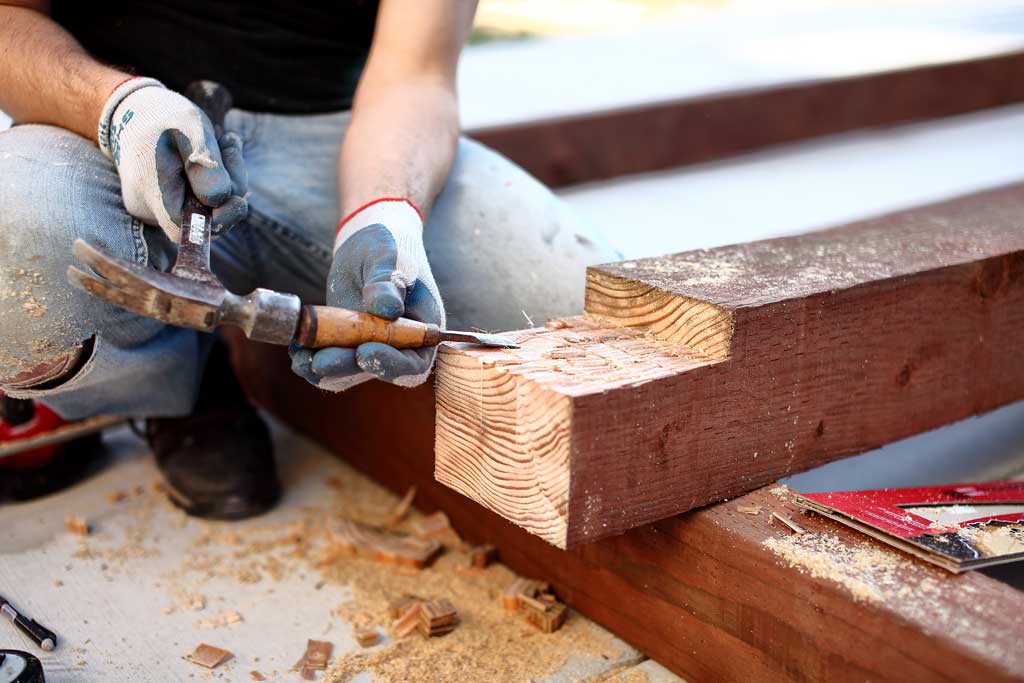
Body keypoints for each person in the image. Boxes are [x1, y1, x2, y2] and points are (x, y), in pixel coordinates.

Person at [0, 1, 616, 515]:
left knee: (593, 327)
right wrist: (117, 108)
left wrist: (385, 213)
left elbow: (417, 75)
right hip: (104, 122)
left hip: (344, 133)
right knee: (18, 259)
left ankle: (202, 338)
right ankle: (180, 386)